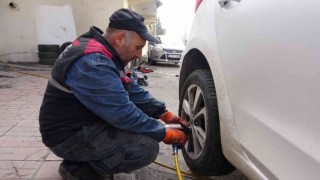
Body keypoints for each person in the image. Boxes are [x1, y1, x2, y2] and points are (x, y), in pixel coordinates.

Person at [39, 8, 189, 180]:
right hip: (67, 135)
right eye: (138, 47)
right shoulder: (94, 62)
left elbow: (131, 89)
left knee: (141, 131)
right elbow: (122, 114)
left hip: (80, 123)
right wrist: (163, 132)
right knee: (146, 148)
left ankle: (84, 157)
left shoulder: (101, 50)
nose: (139, 55)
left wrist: (163, 114)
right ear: (119, 39)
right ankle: (79, 167)